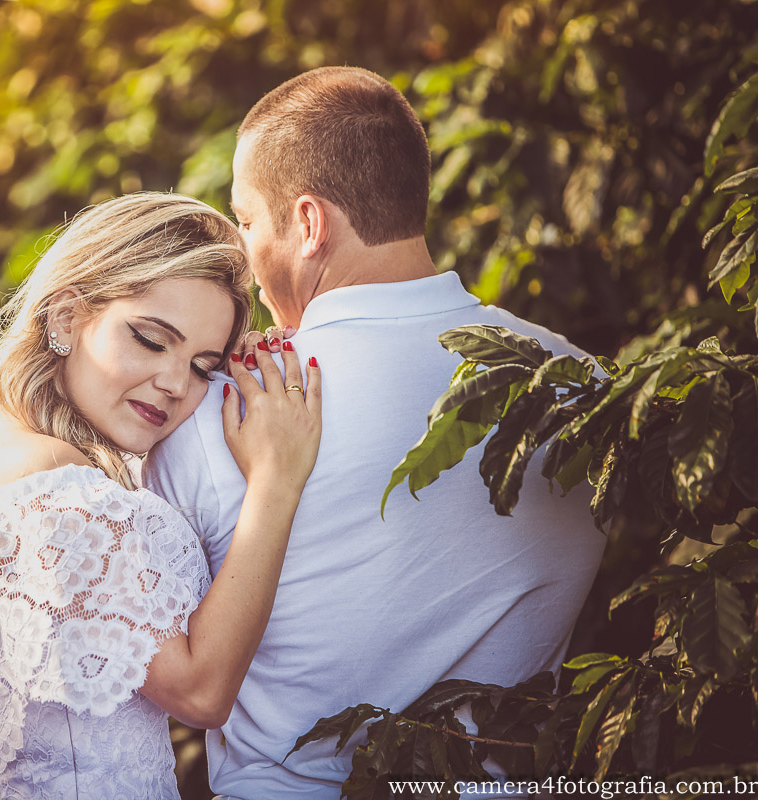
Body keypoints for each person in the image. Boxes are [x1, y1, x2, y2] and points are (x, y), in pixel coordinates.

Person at [144, 67, 606, 799]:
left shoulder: (223, 409)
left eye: (247, 219)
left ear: (308, 224)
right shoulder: (584, 386)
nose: (242, 250)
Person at [0, 192, 323, 799]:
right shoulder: (51, 483)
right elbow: (202, 692)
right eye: (151, 340)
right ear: (67, 317)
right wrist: (276, 480)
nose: (176, 383)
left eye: (204, 365)